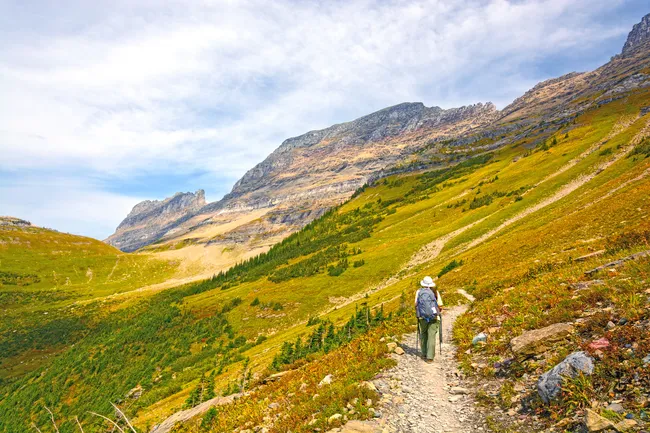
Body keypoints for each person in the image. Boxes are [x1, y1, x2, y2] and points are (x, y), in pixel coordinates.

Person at [415, 276, 443, 363]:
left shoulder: (419, 292)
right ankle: (430, 358)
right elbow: (440, 305)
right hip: (434, 317)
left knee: (423, 334)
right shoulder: (435, 292)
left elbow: (415, 304)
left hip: (422, 317)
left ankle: (424, 353)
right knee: (431, 336)